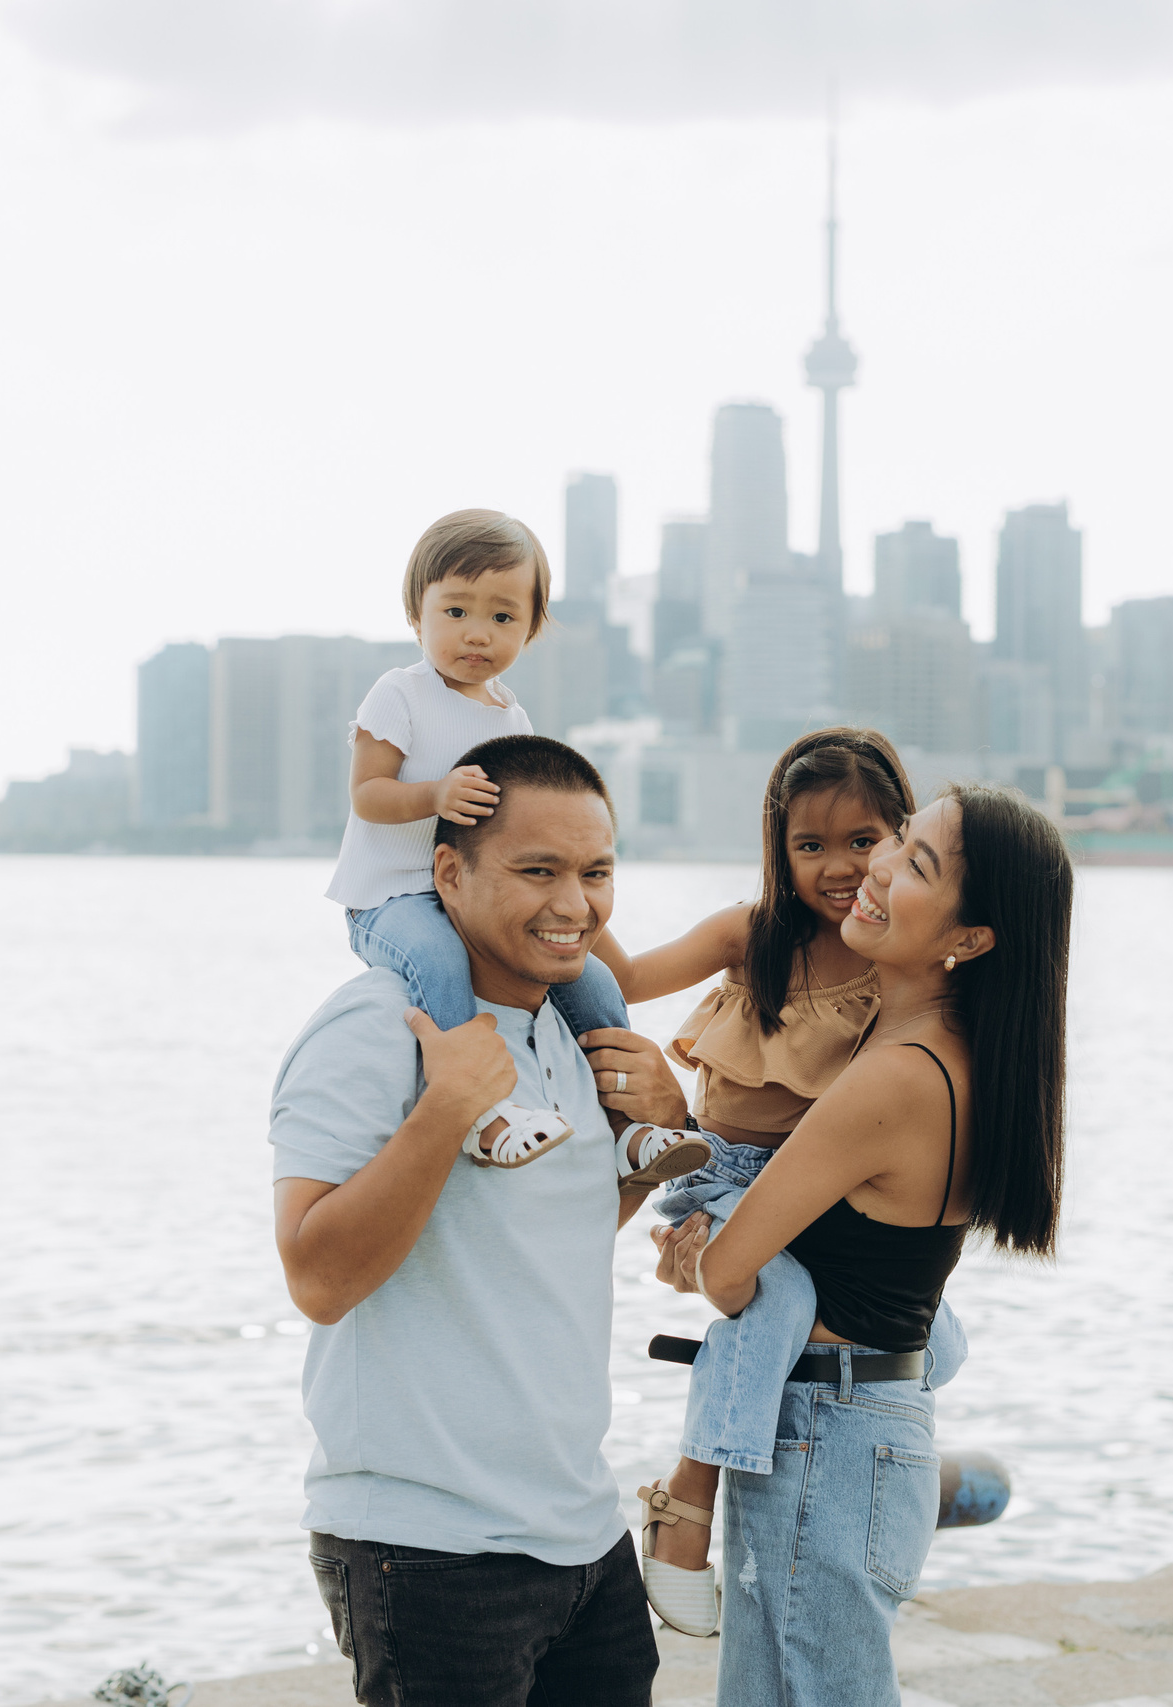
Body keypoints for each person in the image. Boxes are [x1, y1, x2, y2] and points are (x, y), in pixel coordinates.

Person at [271, 735, 698, 1707]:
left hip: (584, 1537)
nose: (573, 904)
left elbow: (550, 1226)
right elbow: (316, 1278)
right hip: (424, 1550)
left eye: (596, 873)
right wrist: (442, 1113)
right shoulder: (377, 1028)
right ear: (448, 874)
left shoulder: (571, 1027)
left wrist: (658, 1128)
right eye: (536, 870)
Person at [654, 784, 1072, 1706]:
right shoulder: (954, 1051)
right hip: (860, 1430)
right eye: (901, 840)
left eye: (916, 864)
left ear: (969, 938)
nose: (875, 869)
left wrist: (696, 1238)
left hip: (827, 1443)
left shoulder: (895, 1076)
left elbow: (729, 1276)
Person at [588, 728, 964, 1638]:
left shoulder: (900, 965)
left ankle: (870, 1465)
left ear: (902, 841)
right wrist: (573, 884)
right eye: (810, 845)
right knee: (778, 1299)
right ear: (778, 847)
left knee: (937, 1341)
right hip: (720, 1174)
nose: (839, 867)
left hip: (820, 1194)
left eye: (865, 841)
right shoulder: (751, 935)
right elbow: (630, 976)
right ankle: (689, 1496)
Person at [325, 507, 707, 1184]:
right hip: (392, 900)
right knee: (439, 960)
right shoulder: (399, 693)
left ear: (531, 629)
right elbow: (368, 795)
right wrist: (434, 796)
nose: (477, 633)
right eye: (456, 611)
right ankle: (483, 1113)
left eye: (503, 617)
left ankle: (628, 1130)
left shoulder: (511, 715)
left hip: (475, 898)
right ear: (418, 614)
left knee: (593, 982)